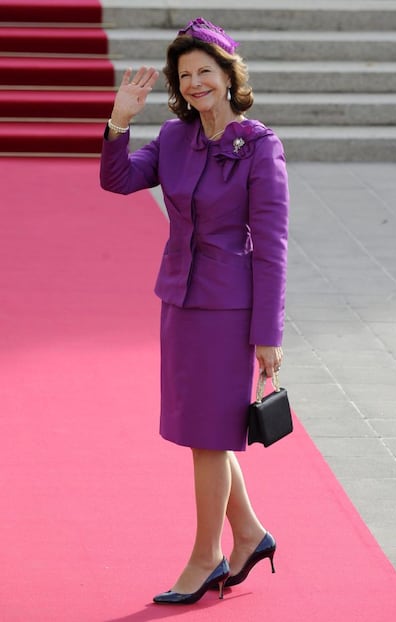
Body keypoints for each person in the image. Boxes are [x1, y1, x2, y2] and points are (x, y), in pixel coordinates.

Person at [100, 17, 289, 605]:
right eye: (184, 75)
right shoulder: (176, 138)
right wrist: (120, 121)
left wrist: (268, 334)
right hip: (179, 298)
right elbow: (119, 180)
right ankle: (251, 533)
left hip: (230, 309)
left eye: (205, 71)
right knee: (200, 432)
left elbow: (273, 246)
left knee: (210, 436)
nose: (194, 83)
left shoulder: (260, 147)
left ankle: (207, 555)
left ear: (230, 77)